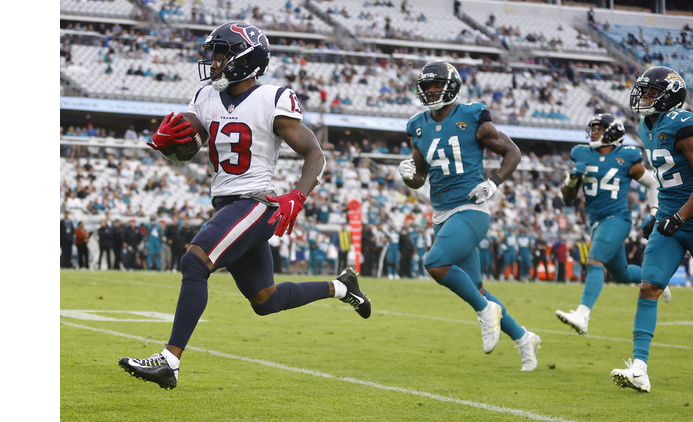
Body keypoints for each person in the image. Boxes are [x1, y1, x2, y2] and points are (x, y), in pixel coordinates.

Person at [119, 22, 371, 390]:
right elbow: (188, 150)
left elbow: (315, 154)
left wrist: (297, 195)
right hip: (227, 205)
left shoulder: (273, 98)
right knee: (265, 300)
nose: (213, 61)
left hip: (255, 202)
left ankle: (169, 362)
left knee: (195, 260)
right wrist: (168, 142)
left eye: (221, 53)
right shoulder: (205, 97)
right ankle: (342, 287)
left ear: (244, 58)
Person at [399, 61, 540, 371]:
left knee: (435, 263)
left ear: (452, 87)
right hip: (442, 213)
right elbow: (420, 177)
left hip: (471, 209)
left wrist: (494, 183)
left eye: (437, 85)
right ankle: (523, 338)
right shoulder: (418, 126)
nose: (431, 91)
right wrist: (407, 175)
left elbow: (512, 152)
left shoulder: (472, 116)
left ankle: (486, 312)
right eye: (427, 87)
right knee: (477, 290)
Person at [610, 66, 693, 393]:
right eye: (644, 91)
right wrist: (659, 213)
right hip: (670, 219)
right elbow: (667, 180)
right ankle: (639, 369)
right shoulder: (644, 125)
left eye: (652, 93)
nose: (644, 97)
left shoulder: (683, 124)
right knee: (649, 286)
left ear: (670, 96)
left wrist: (679, 216)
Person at [555, 113, 664, 336]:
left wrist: (655, 212)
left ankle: (583, 315)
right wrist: (573, 178)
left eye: (600, 128)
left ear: (613, 133)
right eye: (593, 127)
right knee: (621, 274)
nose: (594, 131)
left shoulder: (627, 157)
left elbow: (653, 184)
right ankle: (657, 279)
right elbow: (567, 198)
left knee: (594, 261)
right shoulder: (582, 153)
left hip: (617, 219)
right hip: (595, 223)